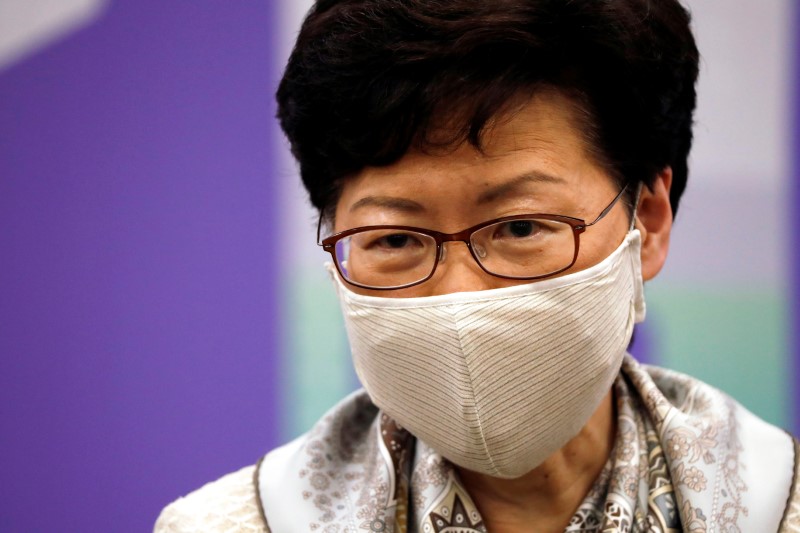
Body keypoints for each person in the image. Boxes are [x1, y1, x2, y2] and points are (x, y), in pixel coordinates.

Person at [155, 1, 800, 531]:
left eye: (521, 227)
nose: (461, 298)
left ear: (648, 220)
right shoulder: (234, 524)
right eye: (397, 239)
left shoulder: (778, 507)